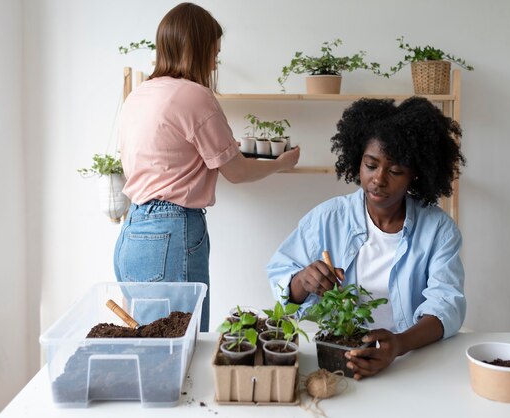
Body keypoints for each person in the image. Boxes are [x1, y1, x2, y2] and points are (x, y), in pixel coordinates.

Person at [114, 3, 300, 331]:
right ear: (197, 49)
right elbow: (237, 171)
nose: (215, 61)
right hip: (171, 231)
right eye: (213, 53)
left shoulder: (139, 95)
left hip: (133, 232)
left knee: (148, 342)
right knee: (184, 344)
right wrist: (280, 164)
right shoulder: (195, 97)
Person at [267, 96, 465, 379]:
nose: (379, 179)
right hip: (338, 358)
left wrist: (398, 344)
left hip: (413, 362)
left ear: (416, 176)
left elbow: (447, 304)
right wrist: (300, 282)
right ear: (357, 160)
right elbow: (280, 280)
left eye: (395, 171)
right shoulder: (327, 218)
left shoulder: (438, 230)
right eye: (371, 165)